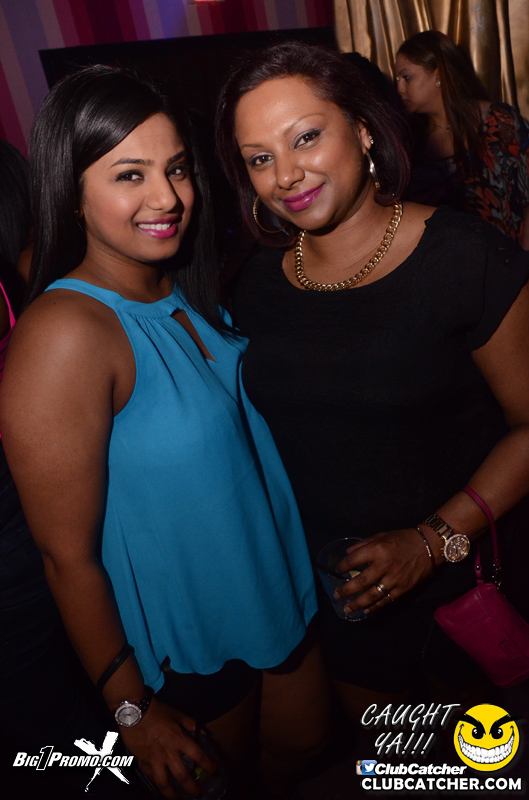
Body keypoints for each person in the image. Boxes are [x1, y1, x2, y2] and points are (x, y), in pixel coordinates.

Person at [0, 65, 329, 800]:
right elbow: (65, 558)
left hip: (272, 584)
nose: (168, 198)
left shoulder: (180, 281)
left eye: (176, 168)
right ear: (71, 193)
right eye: (130, 175)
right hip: (190, 637)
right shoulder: (66, 332)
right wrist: (132, 712)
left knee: (304, 746)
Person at [215, 41, 529, 721]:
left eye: (305, 137)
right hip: (338, 592)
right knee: (388, 758)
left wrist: (430, 542)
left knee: (479, 756)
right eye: (259, 158)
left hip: (462, 579)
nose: (285, 175)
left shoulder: (468, 259)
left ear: (361, 129)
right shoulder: (258, 281)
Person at [395, 30, 529, 248]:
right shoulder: (411, 142)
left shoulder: (499, 121)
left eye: (406, 77)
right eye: (397, 80)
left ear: (438, 76)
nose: (399, 88)